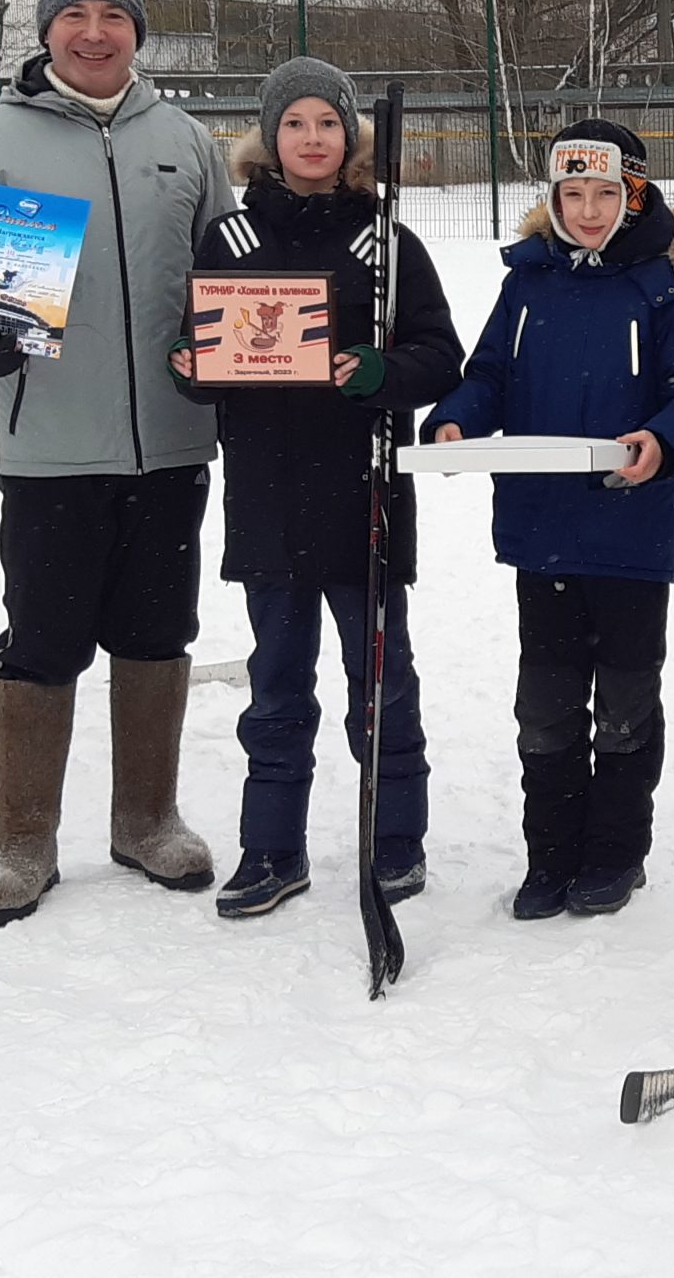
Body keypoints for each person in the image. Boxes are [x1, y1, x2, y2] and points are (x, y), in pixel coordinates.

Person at [0, 0, 236, 927]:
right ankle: (22, 842)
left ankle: (145, 819)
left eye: (112, 17)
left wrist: (232, 343)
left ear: (136, 32)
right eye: (75, 16)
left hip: (175, 442)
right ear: (48, 30)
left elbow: (227, 268)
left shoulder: (180, 140)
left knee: (157, 631)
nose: (94, 33)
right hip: (52, 444)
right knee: (45, 637)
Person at [168, 58, 463, 917]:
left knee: (383, 682)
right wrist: (191, 368)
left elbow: (439, 355)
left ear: (349, 136)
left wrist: (378, 371)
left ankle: (397, 839)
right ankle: (272, 849)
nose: (311, 140)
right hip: (267, 496)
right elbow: (203, 350)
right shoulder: (231, 239)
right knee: (278, 683)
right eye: (293, 124)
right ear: (269, 138)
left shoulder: (388, 241)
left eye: (326, 124)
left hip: (361, 496)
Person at [423, 120, 674, 919]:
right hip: (542, 529)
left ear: (633, 195)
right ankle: (549, 855)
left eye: (605, 194)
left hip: (630, 533)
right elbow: (488, 375)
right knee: (546, 706)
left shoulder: (663, 288)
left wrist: (662, 441)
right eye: (572, 194)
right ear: (551, 198)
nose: (588, 211)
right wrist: (457, 420)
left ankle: (616, 854)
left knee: (625, 705)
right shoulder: (526, 284)